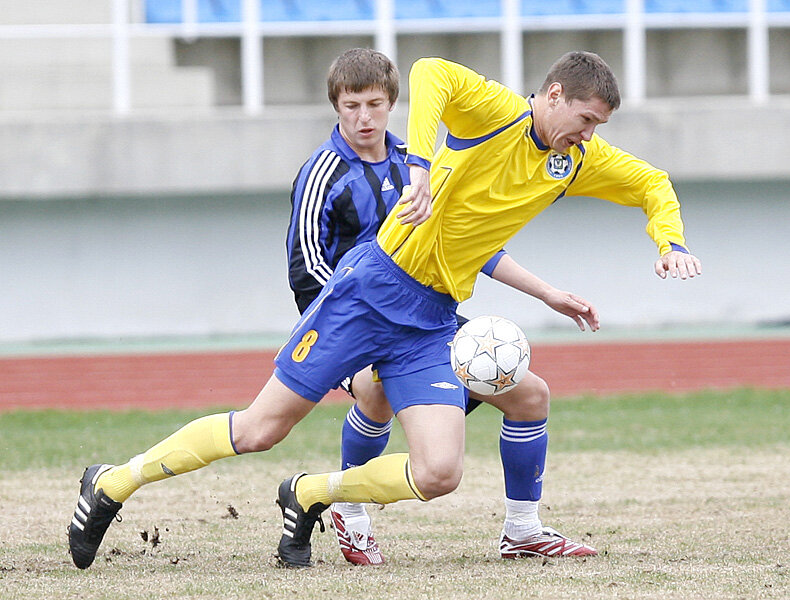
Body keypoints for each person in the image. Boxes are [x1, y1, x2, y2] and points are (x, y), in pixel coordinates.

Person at [67, 50, 701, 572]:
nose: (588, 135)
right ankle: (113, 483)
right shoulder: (498, 113)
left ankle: (316, 493)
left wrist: (668, 241)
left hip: (430, 320)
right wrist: (422, 166)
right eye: (585, 118)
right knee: (260, 431)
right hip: (370, 290)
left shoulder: (572, 161)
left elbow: (651, 183)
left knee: (441, 472)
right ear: (554, 94)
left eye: (598, 127)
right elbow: (429, 72)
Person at [286, 48, 599, 566]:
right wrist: (346, 329)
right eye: (351, 106)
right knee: (374, 393)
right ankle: (348, 512)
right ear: (336, 107)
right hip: (353, 314)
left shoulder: (417, 160)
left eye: (375, 104)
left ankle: (522, 530)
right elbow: (307, 265)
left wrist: (546, 292)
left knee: (531, 396)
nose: (364, 117)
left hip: (425, 315)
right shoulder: (324, 172)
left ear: (393, 105)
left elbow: (468, 242)